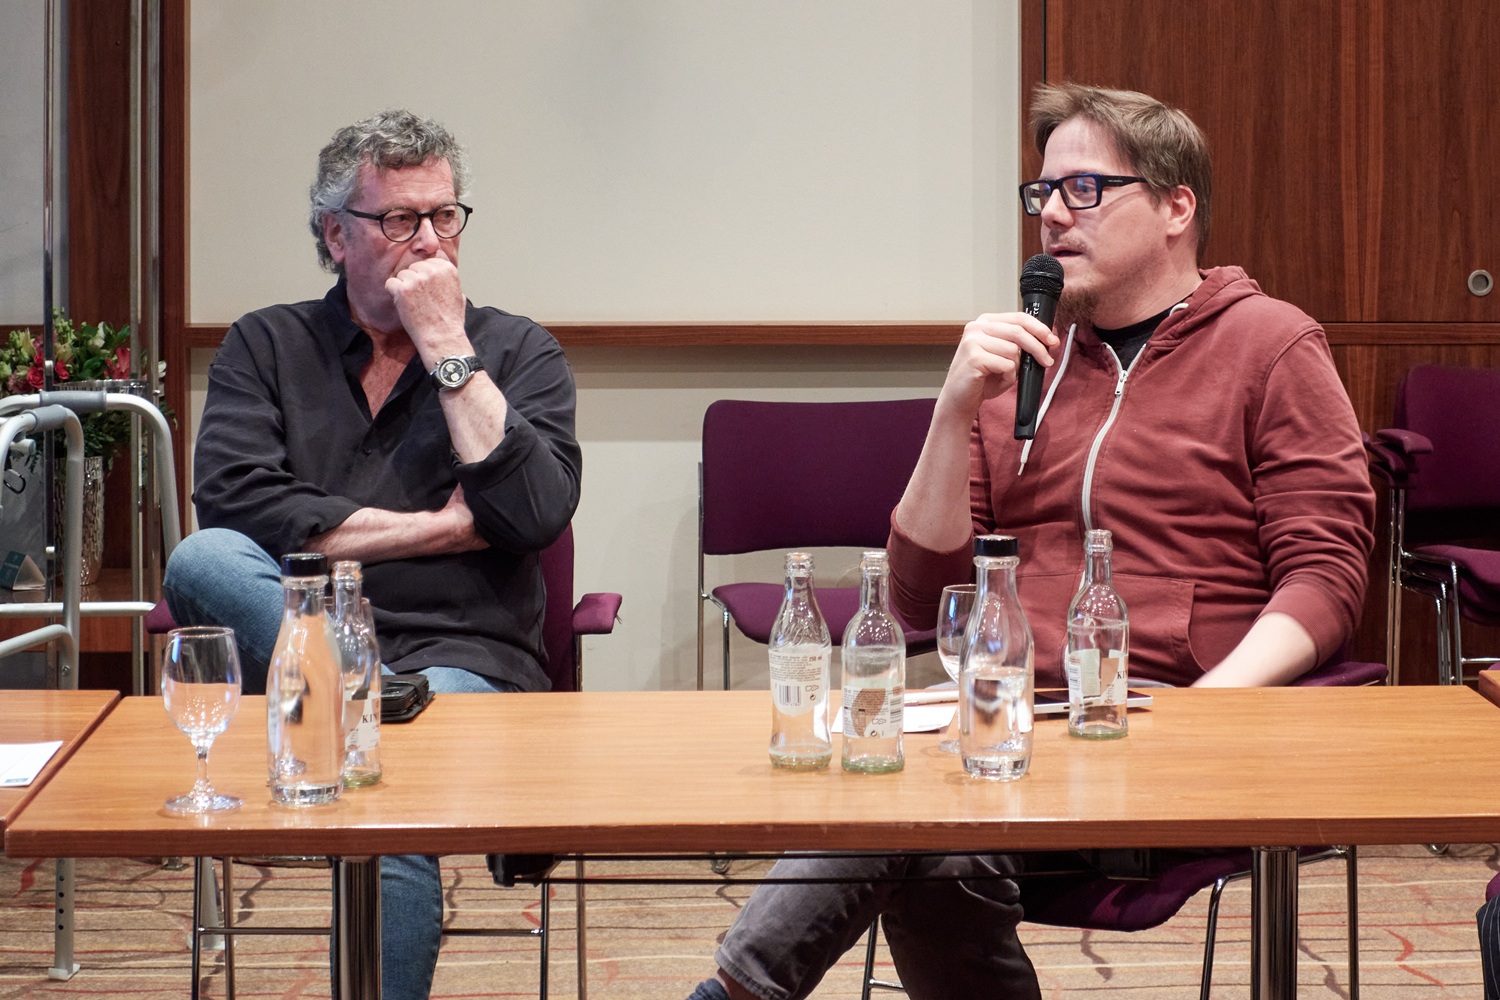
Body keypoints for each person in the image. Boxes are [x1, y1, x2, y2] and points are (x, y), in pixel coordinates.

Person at [687, 83, 1374, 1000]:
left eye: (1084, 188)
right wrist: (951, 410)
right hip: (1009, 719)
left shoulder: (1271, 344)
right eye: (1042, 191)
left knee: (905, 809)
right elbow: (919, 597)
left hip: (1168, 724)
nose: (1051, 213)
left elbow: (1325, 575)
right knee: (920, 823)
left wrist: (1211, 710)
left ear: (1177, 207)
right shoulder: (1025, 363)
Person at [163, 109, 581, 1000]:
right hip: (295, 642)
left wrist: (448, 350)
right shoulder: (266, 343)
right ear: (335, 235)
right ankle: (366, 690)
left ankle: (359, 703)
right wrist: (443, 527)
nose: (429, 240)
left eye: (445, 216)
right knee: (203, 557)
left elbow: (537, 512)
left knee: (382, 788)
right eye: (399, 219)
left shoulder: (518, 350)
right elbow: (237, 503)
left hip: (462, 658)